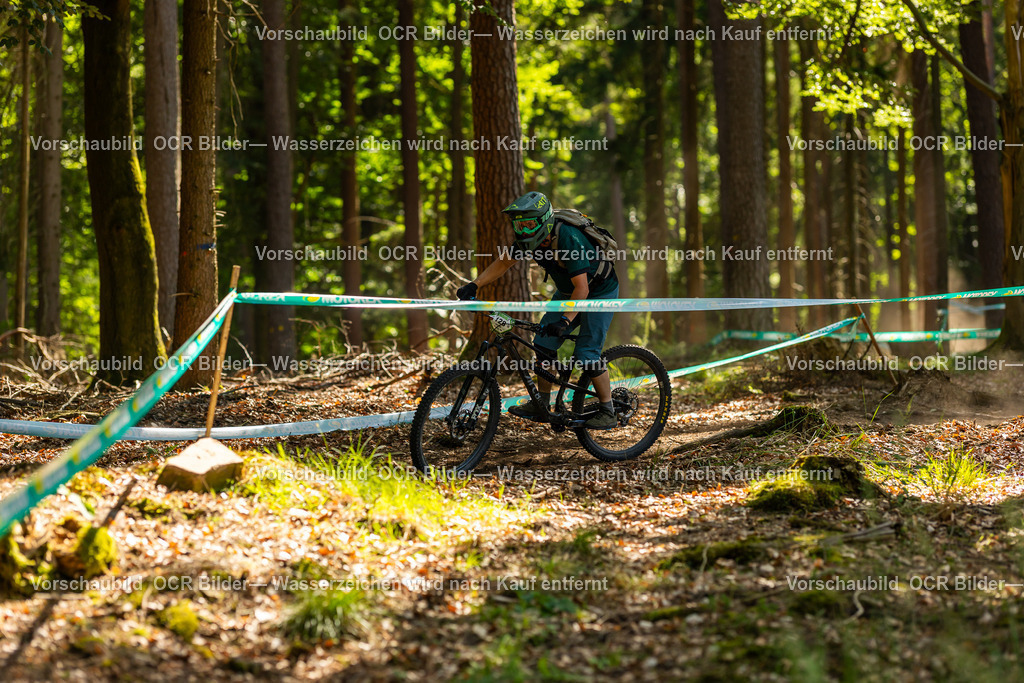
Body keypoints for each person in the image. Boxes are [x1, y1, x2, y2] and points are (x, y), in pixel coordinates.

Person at [456, 191, 619, 429]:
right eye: (518, 224)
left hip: (599, 292)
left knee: (587, 354)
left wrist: (564, 321)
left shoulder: (568, 238)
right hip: (568, 293)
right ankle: (541, 403)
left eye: (529, 223)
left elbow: (582, 289)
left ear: (544, 221)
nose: (523, 229)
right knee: (543, 344)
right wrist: (474, 284)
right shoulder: (528, 240)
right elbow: (504, 262)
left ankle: (608, 409)